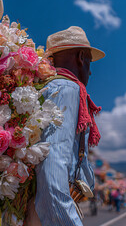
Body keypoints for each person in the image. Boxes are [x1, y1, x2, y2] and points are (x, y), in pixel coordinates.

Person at [25, 26, 105, 225]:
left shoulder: (48, 88)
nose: (91, 71)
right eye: (89, 61)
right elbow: (52, 172)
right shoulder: (67, 89)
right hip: (51, 212)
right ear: (80, 57)